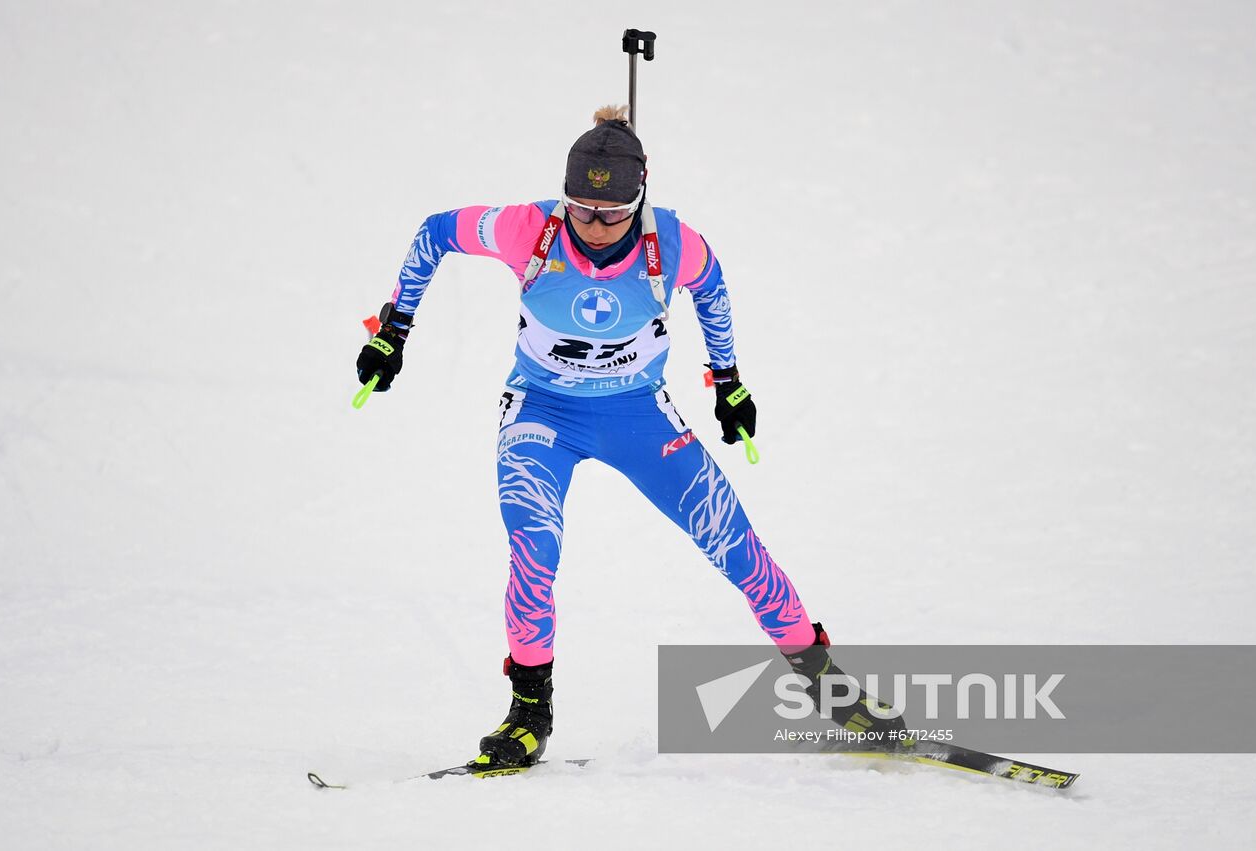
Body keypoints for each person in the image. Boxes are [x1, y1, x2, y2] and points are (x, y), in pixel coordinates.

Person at [357, 106, 902, 768]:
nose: (592, 225)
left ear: (639, 197)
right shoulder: (526, 227)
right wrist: (395, 330)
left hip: (637, 414)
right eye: (580, 209)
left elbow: (714, 289)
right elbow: (436, 232)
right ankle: (529, 712)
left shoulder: (672, 243)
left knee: (734, 542)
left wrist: (727, 379)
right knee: (534, 546)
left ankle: (830, 688)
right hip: (541, 414)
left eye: (610, 213)